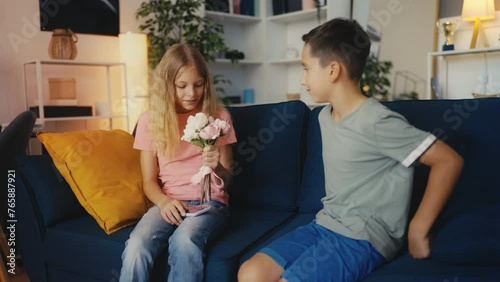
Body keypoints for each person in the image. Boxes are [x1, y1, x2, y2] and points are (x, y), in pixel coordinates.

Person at [238, 18, 464, 282]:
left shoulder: (377, 121)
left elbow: (448, 161)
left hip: (364, 237)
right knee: (250, 273)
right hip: (325, 225)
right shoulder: (324, 116)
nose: (302, 80)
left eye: (306, 69)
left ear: (333, 70)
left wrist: (419, 227)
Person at [119, 44, 237, 282]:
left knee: (184, 240)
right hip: (170, 201)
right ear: (166, 86)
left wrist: (218, 169)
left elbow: (228, 180)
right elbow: (149, 182)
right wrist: (164, 202)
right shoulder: (150, 121)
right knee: (137, 244)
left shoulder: (219, 116)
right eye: (181, 86)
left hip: (210, 203)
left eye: (198, 84)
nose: (191, 93)